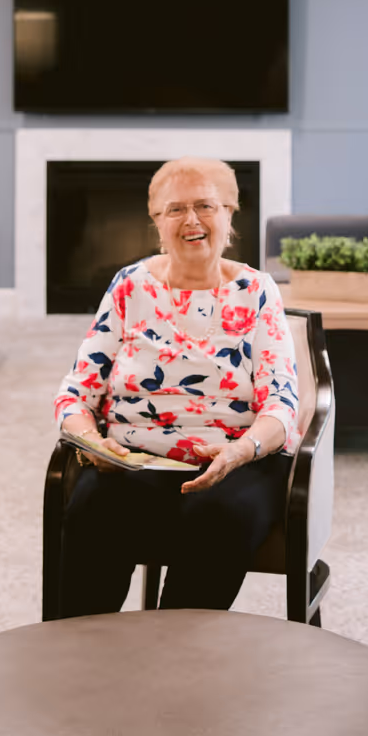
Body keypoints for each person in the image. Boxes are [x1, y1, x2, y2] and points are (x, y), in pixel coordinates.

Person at [53, 156, 301, 616]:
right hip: (132, 463)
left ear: (230, 214)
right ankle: (81, 664)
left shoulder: (257, 290)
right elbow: (75, 394)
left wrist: (239, 451)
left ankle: (174, 660)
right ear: (156, 223)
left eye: (206, 206)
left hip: (234, 465)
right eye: (175, 209)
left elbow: (282, 404)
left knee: (220, 518)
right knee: (92, 510)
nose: (191, 220)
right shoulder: (129, 287)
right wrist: (94, 444)